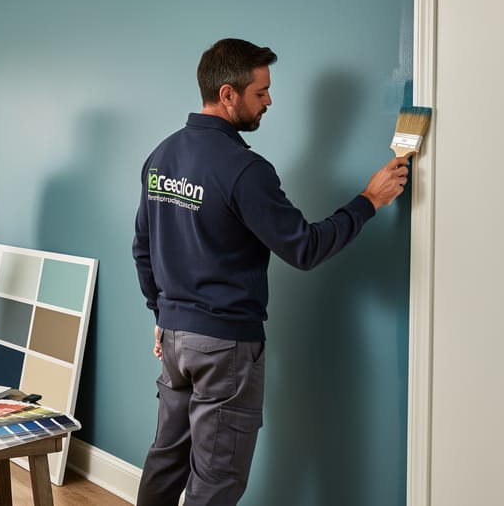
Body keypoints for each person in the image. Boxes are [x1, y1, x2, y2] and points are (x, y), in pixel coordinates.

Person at [131, 38, 410, 505]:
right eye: (260, 93)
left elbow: (143, 247)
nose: (269, 101)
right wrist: (369, 201)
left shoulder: (162, 156)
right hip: (224, 345)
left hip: (175, 338)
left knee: (167, 460)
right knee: (215, 479)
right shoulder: (243, 169)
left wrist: (159, 311)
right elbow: (304, 248)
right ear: (227, 94)